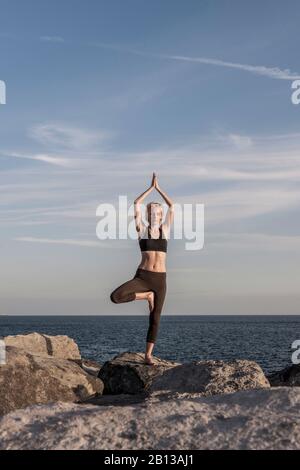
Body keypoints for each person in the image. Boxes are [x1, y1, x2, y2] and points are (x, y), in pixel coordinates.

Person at [110, 172, 174, 365]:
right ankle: (145, 296)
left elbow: (173, 206)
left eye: (157, 212)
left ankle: (148, 355)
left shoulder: (166, 230)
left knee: (155, 318)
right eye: (152, 212)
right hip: (143, 277)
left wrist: (159, 188)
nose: (155, 214)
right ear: (148, 215)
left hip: (160, 280)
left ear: (160, 215)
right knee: (115, 297)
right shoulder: (142, 230)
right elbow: (136, 204)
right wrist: (150, 188)